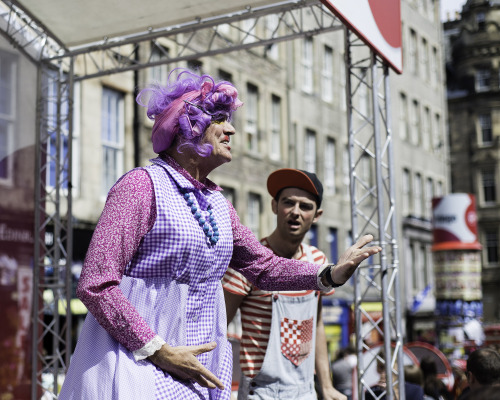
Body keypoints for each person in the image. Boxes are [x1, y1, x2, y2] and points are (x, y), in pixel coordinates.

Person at [58, 69, 381, 400]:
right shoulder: (141, 186)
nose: (232, 129)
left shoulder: (218, 205)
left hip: (198, 373)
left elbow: (265, 268)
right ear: (188, 126)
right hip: (134, 364)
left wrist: (329, 274)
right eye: (219, 119)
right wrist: (158, 349)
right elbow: (96, 284)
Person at [223, 168, 347, 400]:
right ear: (274, 206)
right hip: (261, 392)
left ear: (317, 215)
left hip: (305, 390)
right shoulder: (248, 262)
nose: (296, 212)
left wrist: (327, 385)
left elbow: (316, 324)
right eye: (288, 203)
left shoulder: (317, 261)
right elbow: (218, 326)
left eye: (306, 206)